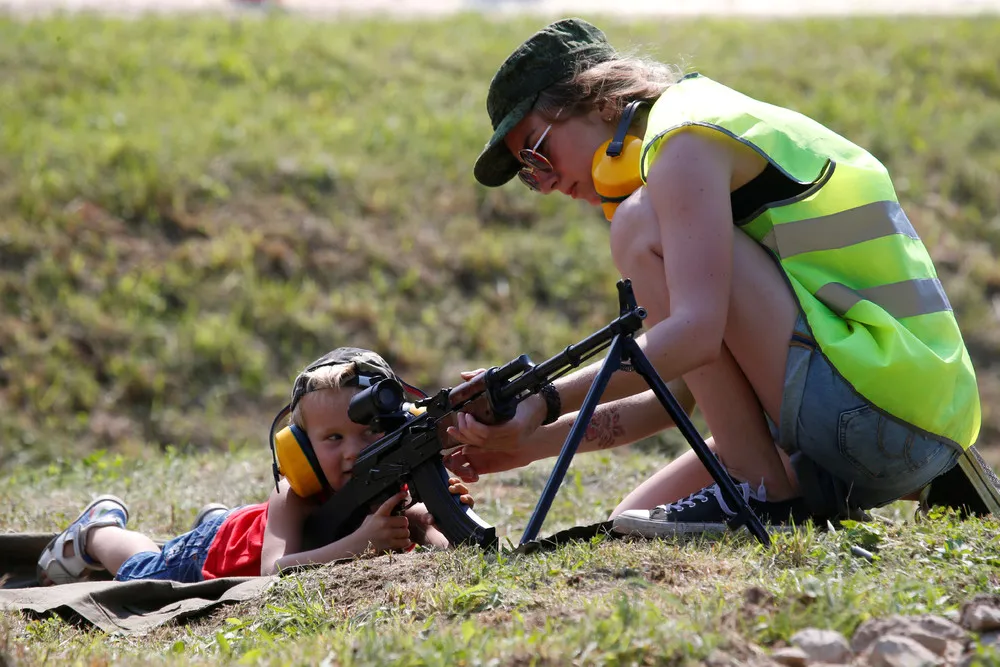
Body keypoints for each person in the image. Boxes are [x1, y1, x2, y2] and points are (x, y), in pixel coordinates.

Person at [445, 18, 982, 537]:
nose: (547, 182)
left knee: (635, 222)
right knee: (633, 521)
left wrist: (543, 398)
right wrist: (532, 441)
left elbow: (694, 337)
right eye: (528, 177)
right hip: (903, 417)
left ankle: (769, 493)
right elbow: (675, 390)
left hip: (871, 413)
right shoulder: (699, 128)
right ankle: (900, 481)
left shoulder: (683, 142)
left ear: (594, 97)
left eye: (537, 154)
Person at [37, 348, 475, 585]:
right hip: (209, 556)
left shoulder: (391, 480)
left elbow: (433, 547)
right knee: (142, 570)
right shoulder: (294, 494)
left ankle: (220, 518)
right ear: (300, 449)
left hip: (249, 531)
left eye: (369, 431)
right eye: (334, 438)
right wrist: (361, 541)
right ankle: (98, 531)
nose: (351, 450)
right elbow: (273, 572)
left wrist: (434, 523)